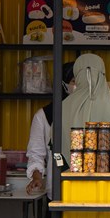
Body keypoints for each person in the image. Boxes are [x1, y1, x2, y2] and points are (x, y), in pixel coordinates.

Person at [58, 53, 110, 157]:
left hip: (65, 166)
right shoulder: (105, 104)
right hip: (102, 166)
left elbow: (54, 144)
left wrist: (60, 165)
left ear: (77, 75)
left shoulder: (63, 105)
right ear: (102, 75)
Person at [25, 62, 76, 196]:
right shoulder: (44, 116)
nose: (78, 86)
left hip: (86, 190)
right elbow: (36, 154)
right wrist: (37, 177)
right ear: (62, 84)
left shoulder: (91, 113)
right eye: (74, 81)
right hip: (56, 191)